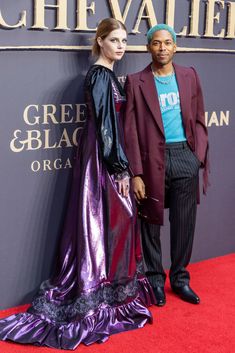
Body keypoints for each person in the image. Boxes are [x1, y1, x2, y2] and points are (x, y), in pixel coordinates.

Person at [0, 18, 155, 350]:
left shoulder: (108, 76)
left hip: (99, 157)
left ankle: (110, 290)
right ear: (99, 42)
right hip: (101, 160)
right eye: (114, 40)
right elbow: (106, 128)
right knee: (107, 223)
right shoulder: (100, 76)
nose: (121, 46)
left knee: (109, 225)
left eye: (124, 41)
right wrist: (120, 170)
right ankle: (98, 292)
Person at [123, 24, 209, 307]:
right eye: (157, 43)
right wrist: (136, 172)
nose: (162, 48)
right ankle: (155, 281)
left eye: (168, 43)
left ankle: (181, 280)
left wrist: (196, 157)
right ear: (148, 47)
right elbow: (131, 130)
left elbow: (199, 118)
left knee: (184, 224)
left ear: (175, 47)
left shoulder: (189, 75)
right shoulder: (136, 81)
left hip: (183, 156)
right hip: (151, 162)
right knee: (150, 225)